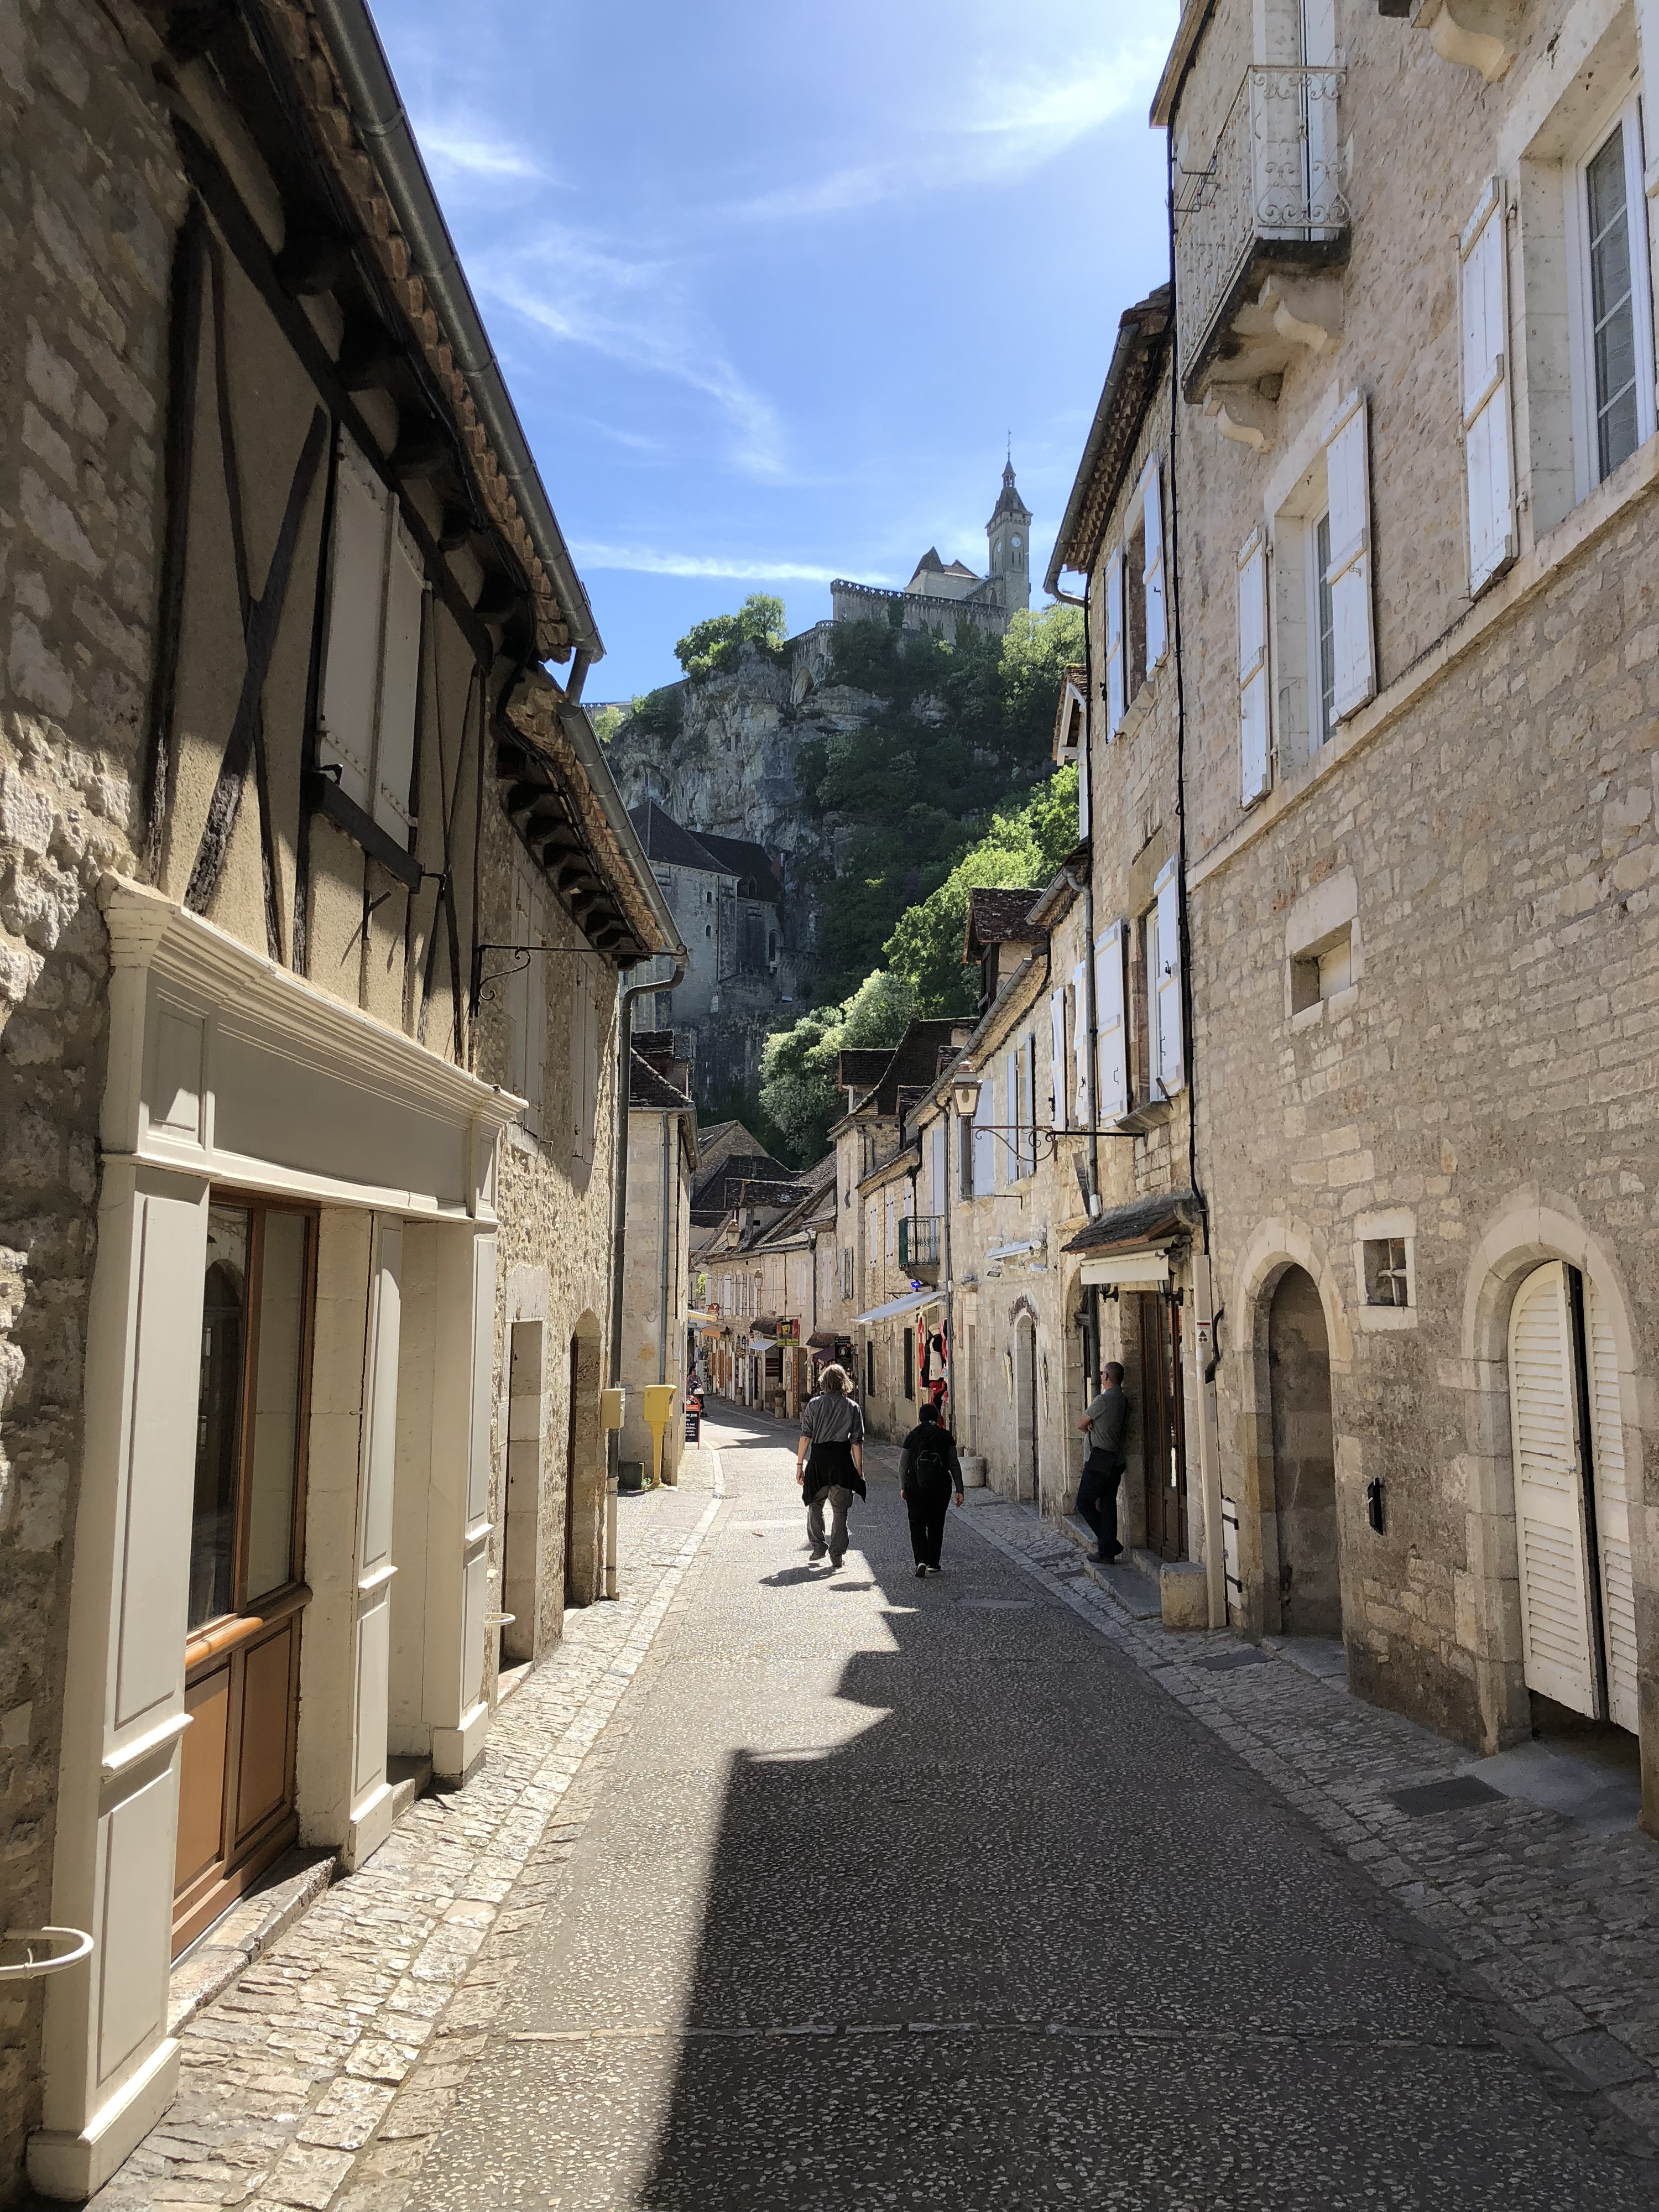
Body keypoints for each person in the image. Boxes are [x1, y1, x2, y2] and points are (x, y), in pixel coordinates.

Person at [796, 1363, 866, 1569]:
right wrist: (859, 1471)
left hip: (818, 1461)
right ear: (844, 1383)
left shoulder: (814, 1404)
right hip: (842, 1462)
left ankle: (818, 1546)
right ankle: (837, 1554)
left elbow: (805, 1436)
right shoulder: (852, 1407)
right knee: (841, 1511)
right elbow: (857, 1442)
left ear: (824, 1383)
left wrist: (800, 1464)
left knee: (815, 1505)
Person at [899, 1401, 964, 1578]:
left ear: (920, 1418)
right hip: (941, 1486)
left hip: (915, 1486)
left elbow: (903, 1464)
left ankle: (921, 1559)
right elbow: (954, 1464)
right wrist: (960, 1489)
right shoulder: (945, 1436)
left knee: (917, 1523)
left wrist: (903, 1486)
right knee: (936, 1523)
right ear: (936, 1418)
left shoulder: (912, 1436)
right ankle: (934, 1563)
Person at [1076, 1360, 1130, 1564]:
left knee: (1084, 1502)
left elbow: (1081, 1423)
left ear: (1106, 1378)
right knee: (1107, 1505)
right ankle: (1107, 1553)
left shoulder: (1104, 1400)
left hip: (1099, 1460)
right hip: (1116, 1460)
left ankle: (1109, 1544)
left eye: (1102, 1374)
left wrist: (1089, 1424)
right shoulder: (1122, 1399)